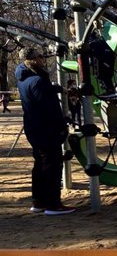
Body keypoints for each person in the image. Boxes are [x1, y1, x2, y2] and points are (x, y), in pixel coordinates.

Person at [15, 47, 74, 215]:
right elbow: (49, 108)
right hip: (46, 129)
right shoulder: (38, 81)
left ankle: (38, 201)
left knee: (40, 163)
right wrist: (62, 126)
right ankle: (53, 204)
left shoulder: (23, 77)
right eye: (40, 57)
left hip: (33, 128)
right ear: (33, 60)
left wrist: (58, 89)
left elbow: (39, 90)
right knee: (52, 165)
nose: (43, 59)